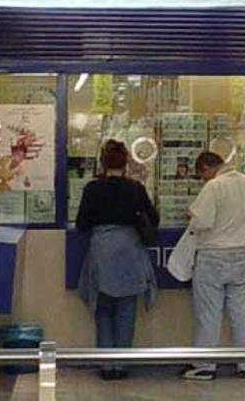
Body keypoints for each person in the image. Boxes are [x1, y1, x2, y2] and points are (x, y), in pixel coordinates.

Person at [75, 139, 159, 381]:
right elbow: (153, 218)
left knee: (103, 309)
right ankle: (122, 365)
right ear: (126, 162)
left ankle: (106, 365)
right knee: (126, 309)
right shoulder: (136, 188)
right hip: (130, 250)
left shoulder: (93, 189)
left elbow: (82, 224)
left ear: (103, 162)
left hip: (102, 249)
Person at [180, 151, 245, 381]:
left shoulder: (214, 187)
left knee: (209, 312)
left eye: (202, 175)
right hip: (242, 254)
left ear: (206, 168)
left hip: (213, 255)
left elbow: (202, 222)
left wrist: (190, 214)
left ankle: (204, 365)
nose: (203, 180)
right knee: (239, 310)